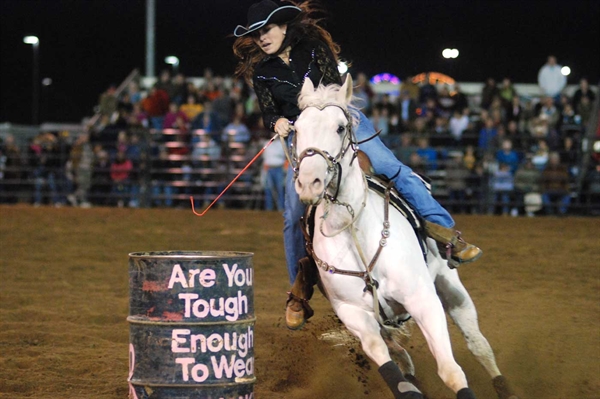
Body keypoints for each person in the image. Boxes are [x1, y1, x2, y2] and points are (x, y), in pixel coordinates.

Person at [232, 0, 482, 329]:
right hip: (306, 138)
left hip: (341, 122)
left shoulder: (313, 47)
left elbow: (334, 87)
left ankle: (447, 236)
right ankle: (300, 289)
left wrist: (312, 112)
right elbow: (268, 110)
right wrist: (277, 120)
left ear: (282, 27)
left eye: (266, 30)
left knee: (391, 169)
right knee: (293, 214)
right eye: (257, 34)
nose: (262, 38)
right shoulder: (263, 72)